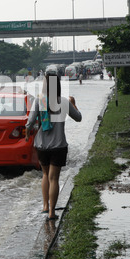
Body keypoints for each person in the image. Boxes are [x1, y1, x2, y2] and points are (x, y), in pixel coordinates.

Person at [25, 67, 82, 221]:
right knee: (54, 179)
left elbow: (30, 123)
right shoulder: (63, 102)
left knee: (45, 175)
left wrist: (27, 132)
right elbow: (78, 118)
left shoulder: (40, 100)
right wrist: (73, 103)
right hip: (58, 145)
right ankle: (51, 212)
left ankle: (45, 206)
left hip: (42, 145)